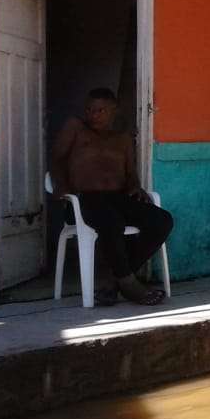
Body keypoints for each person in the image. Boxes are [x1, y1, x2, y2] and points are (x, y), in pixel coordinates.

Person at [49, 88, 172, 306]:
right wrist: (61, 185)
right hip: (84, 200)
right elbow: (57, 159)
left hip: (118, 197)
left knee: (162, 220)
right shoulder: (76, 128)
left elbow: (130, 174)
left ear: (113, 111)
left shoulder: (122, 138)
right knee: (111, 221)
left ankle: (116, 281)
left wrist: (135, 187)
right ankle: (130, 284)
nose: (93, 115)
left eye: (100, 110)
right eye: (89, 110)